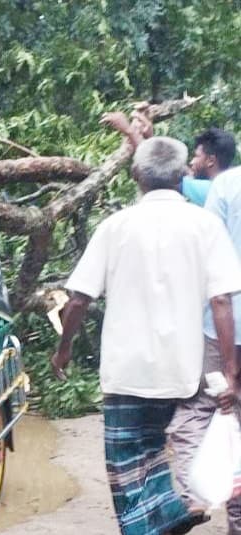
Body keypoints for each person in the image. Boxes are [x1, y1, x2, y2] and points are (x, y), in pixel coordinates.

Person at [51, 136, 241, 535]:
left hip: (127, 371)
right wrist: (229, 370)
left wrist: (63, 348)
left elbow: (79, 299)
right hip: (184, 370)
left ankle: (162, 516)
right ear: (183, 174)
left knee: (126, 461)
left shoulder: (114, 226)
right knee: (156, 445)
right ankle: (173, 508)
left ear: (135, 175)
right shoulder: (204, 225)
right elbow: (221, 300)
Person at [168, 162, 241, 534]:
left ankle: (193, 496)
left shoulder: (227, 184)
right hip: (224, 320)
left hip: (224, 327)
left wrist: (230, 366)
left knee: (195, 414)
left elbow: (214, 276)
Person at [181, 128, 237, 206]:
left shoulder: (207, 189)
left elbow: (170, 180)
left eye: (197, 156)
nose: (192, 162)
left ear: (211, 161)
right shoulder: (233, 189)